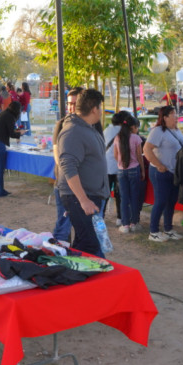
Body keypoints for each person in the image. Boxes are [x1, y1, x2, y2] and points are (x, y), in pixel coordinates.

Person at [57, 88, 108, 257]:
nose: (101, 112)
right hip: (79, 196)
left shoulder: (88, 127)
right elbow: (68, 166)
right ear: (94, 109)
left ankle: (74, 276)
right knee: (91, 243)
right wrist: (83, 199)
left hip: (90, 195)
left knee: (83, 242)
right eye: (100, 108)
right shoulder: (73, 130)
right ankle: (88, 278)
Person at [144, 105, 183, 242]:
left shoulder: (176, 130)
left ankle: (168, 229)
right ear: (165, 117)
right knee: (161, 201)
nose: (176, 117)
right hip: (160, 172)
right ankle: (154, 231)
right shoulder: (158, 131)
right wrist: (159, 165)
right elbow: (146, 149)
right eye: (173, 114)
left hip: (174, 172)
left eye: (176, 114)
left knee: (171, 201)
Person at [51, 87, 83, 243]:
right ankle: (57, 255)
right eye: (69, 103)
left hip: (84, 185)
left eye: (75, 104)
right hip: (65, 184)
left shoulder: (91, 125)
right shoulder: (62, 124)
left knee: (83, 227)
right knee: (63, 225)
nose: (71, 107)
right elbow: (58, 157)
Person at [0, 100, 24, 197]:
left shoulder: (2, 113)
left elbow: (6, 129)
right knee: (0, 169)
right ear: (17, 110)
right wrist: (20, 133)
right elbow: (12, 134)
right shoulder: (10, 117)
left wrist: (16, 132)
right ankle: (0, 191)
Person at [114, 114, 145, 233]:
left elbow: (115, 155)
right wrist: (142, 170)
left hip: (121, 170)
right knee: (134, 197)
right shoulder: (136, 138)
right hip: (134, 170)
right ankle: (134, 223)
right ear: (132, 127)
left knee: (124, 198)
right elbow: (139, 156)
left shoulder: (118, 137)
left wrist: (121, 163)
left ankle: (125, 224)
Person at [102, 110, 127, 226]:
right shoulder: (123, 131)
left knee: (105, 193)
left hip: (105, 166)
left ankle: (101, 216)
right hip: (118, 166)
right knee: (119, 194)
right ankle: (120, 218)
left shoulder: (106, 130)